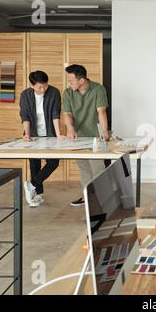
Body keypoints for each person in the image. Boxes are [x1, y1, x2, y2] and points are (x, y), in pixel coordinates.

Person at [62, 64, 109, 207]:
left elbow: (101, 112)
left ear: (81, 80)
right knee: (84, 168)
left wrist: (104, 133)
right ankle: (87, 197)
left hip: (95, 135)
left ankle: (102, 199)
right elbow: (67, 113)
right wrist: (70, 128)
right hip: (78, 136)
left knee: (98, 168)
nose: (69, 83)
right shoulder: (68, 93)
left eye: (71, 81)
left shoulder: (98, 89)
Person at [19, 70, 62, 208]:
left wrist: (59, 134)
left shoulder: (54, 92)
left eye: (45, 86)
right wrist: (27, 133)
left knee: (53, 162)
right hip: (33, 134)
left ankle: (31, 184)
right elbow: (25, 115)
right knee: (35, 164)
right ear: (32, 86)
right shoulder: (25, 95)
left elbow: (56, 113)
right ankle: (38, 194)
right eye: (39, 87)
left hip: (50, 133)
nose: (43, 89)